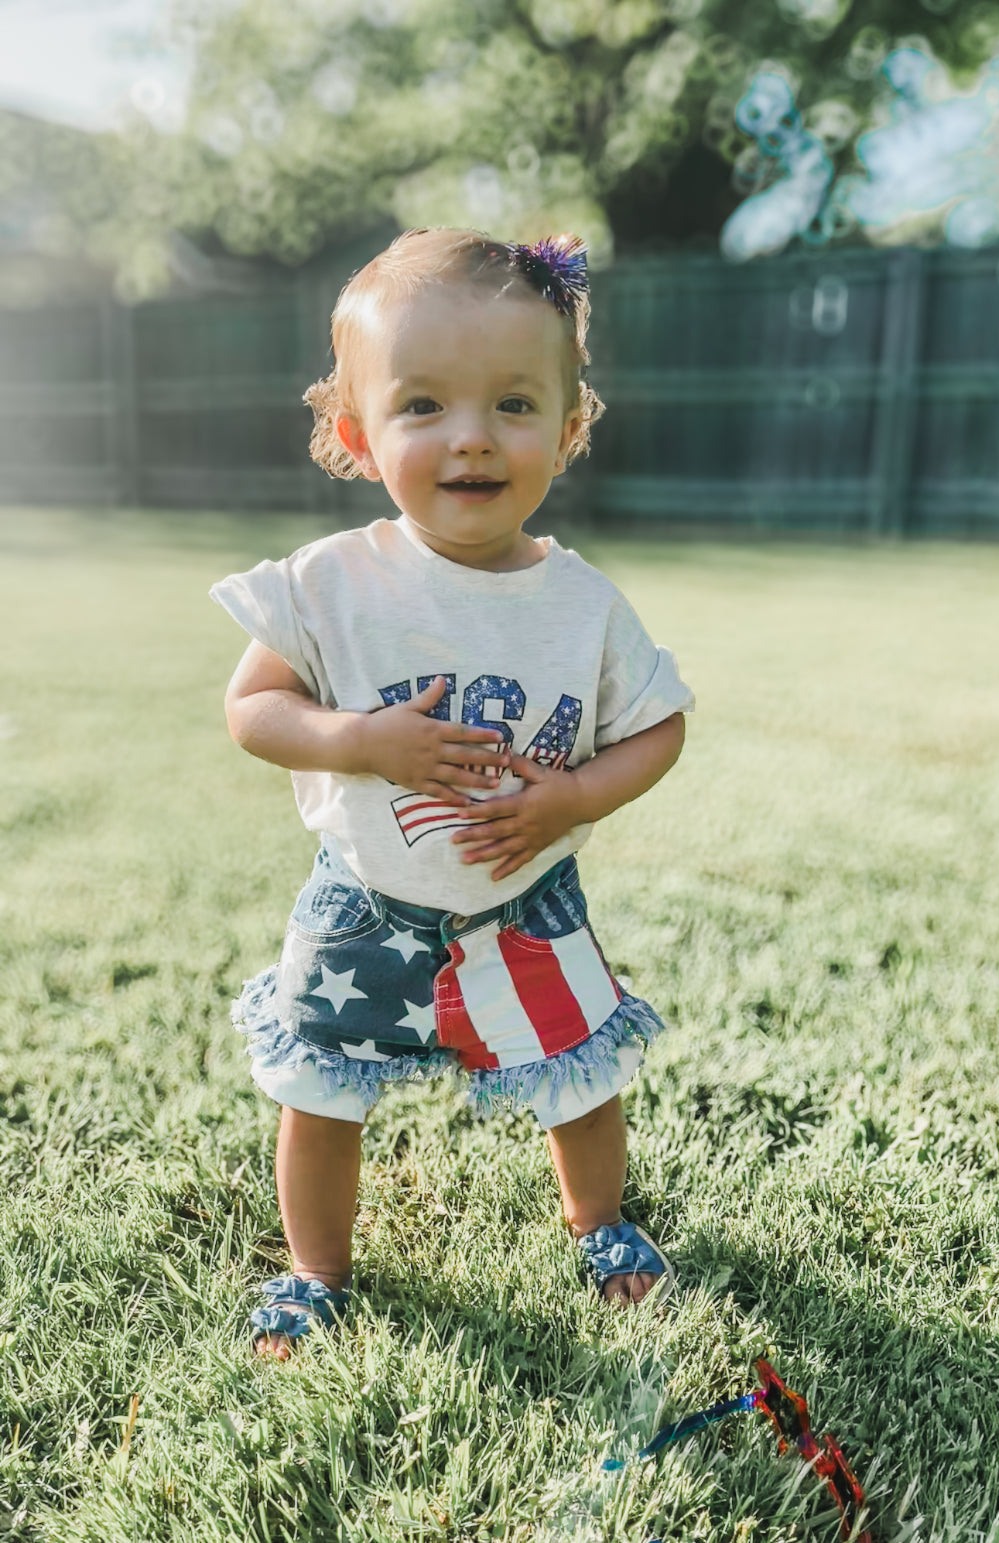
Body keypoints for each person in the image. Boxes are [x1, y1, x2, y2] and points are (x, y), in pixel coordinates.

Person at [210, 226, 694, 1358]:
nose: (471, 438)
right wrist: (360, 740)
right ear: (355, 433)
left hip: (526, 899)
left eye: (515, 405)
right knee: (320, 1090)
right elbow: (253, 710)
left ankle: (602, 1223)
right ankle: (316, 1270)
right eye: (422, 404)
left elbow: (661, 726)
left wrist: (573, 801)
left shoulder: (583, 604)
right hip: (366, 896)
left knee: (581, 1073)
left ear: (569, 430)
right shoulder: (332, 583)